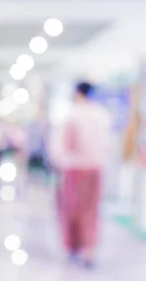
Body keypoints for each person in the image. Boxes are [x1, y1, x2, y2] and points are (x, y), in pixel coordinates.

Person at [49, 81, 112, 268]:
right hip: (95, 168)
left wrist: (59, 161)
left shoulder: (72, 114)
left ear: (77, 93)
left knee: (72, 209)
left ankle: (73, 246)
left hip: (74, 168)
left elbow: (63, 145)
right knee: (91, 210)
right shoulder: (102, 115)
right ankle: (89, 249)